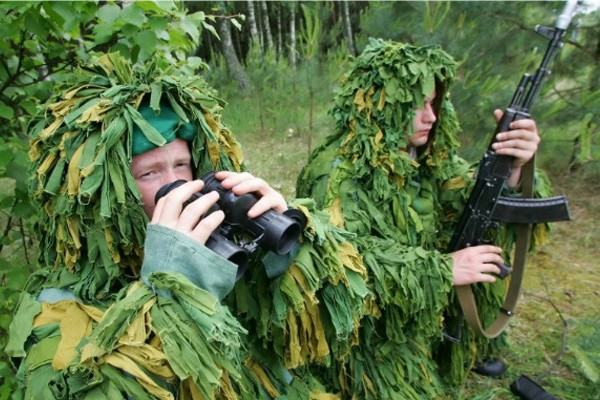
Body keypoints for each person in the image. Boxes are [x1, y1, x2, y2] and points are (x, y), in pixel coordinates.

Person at [6, 53, 367, 399]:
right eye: (149, 173)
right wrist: (172, 286)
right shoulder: (55, 307)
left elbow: (323, 327)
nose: (179, 185)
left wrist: (286, 246)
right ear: (102, 193)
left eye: (182, 165)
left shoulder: (216, 248)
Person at [296, 38, 553, 398]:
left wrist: (512, 170)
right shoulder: (337, 173)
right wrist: (442, 270)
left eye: (433, 103)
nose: (430, 116)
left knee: (484, 253)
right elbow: (341, 266)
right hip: (372, 333)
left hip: (419, 297)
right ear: (382, 106)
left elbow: (463, 199)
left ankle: (456, 347)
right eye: (416, 104)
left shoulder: (421, 153)